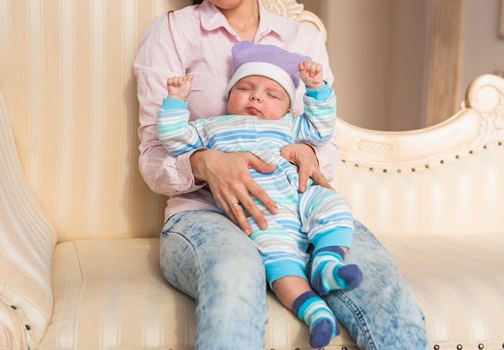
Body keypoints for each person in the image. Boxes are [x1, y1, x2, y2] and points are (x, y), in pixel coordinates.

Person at [133, 0, 430, 349]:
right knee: (234, 273)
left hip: (295, 205)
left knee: (377, 283)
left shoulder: (302, 39)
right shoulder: (172, 32)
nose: (255, 99)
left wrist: (308, 153)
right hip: (205, 213)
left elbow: (325, 140)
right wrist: (204, 164)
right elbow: (154, 156)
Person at [158, 41, 363, 348]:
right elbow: (176, 140)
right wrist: (176, 101)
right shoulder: (211, 127)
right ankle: (314, 311)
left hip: (300, 194)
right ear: (229, 96)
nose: (256, 96)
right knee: (279, 263)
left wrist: (316, 89)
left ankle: (327, 263)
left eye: (272, 94)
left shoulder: (290, 126)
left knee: (334, 204)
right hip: (259, 212)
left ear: (286, 106)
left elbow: (321, 129)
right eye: (245, 88)